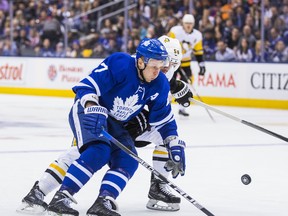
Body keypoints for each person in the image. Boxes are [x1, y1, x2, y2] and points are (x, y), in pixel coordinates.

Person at [17, 36, 192, 215]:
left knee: (129, 159)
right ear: (141, 62)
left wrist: (173, 141)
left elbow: (164, 120)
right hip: (88, 111)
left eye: (164, 65)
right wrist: (93, 108)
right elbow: (86, 86)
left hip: (116, 123)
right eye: (155, 66)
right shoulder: (121, 64)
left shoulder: (160, 82)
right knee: (96, 151)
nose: (159, 71)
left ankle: (103, 201)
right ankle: (60, 197)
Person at [168, 14, 206, 117]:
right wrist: (175, 58)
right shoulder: (175, 31)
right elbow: (168, 45)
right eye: (186, 23)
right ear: (183, 24)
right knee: (170, 83)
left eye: (190, 23)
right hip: (173, 63)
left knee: (187, 83)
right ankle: (166, 106)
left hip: (186, 63)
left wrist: (202, 65)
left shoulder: (197, 35)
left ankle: (182, 108)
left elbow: (198, 52)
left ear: (193, 24)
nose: (188, 25)